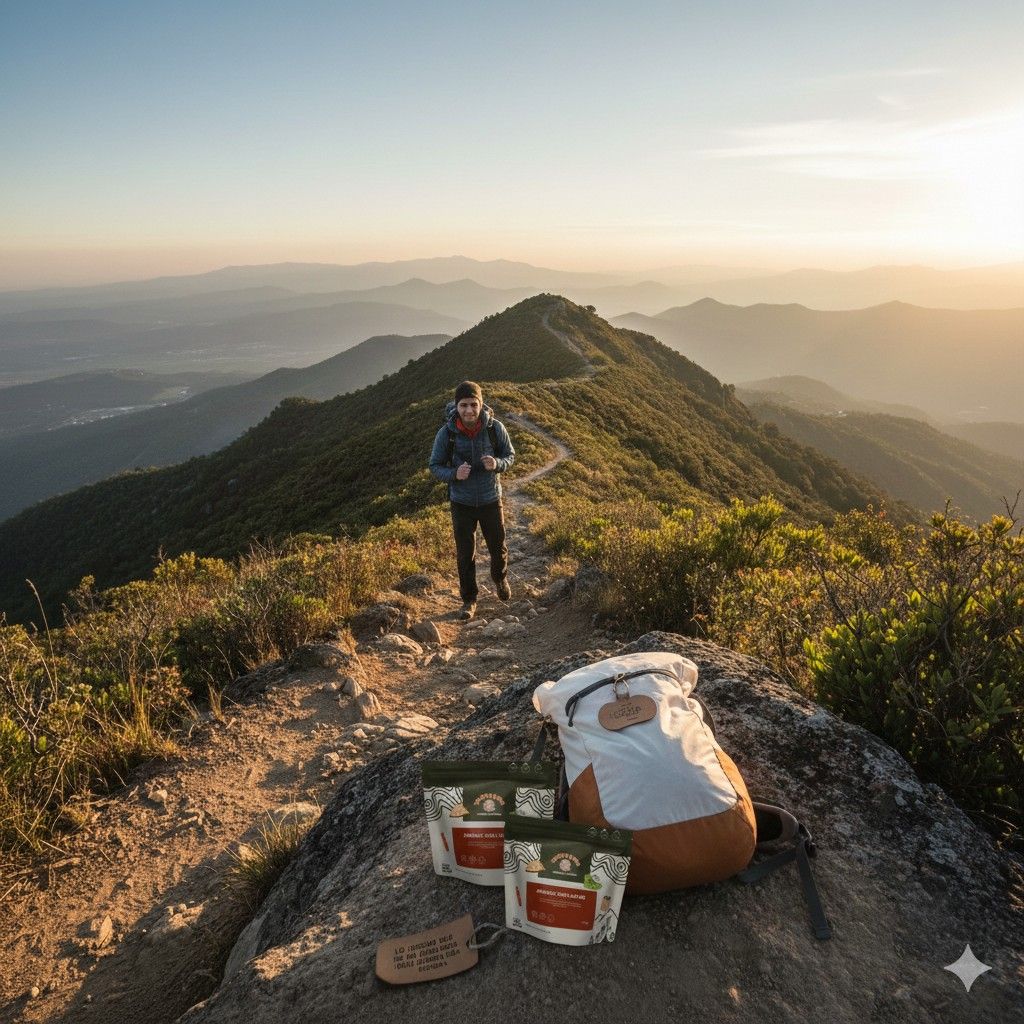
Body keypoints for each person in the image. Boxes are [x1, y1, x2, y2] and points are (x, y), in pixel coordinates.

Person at [429, 381, 515, 620]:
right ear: (456, 406)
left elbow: (510, 455)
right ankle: (469, 600)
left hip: (490, 498)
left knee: (498, 547)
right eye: (463, 405)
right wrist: (454, 474)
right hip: (462, 502)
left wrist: (497, 464)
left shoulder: (494, 428)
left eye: (473, 404)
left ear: (481, 404)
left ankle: (499, 578)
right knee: (465, 554)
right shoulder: (447, 434)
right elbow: (434, 466)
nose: (469, 410)